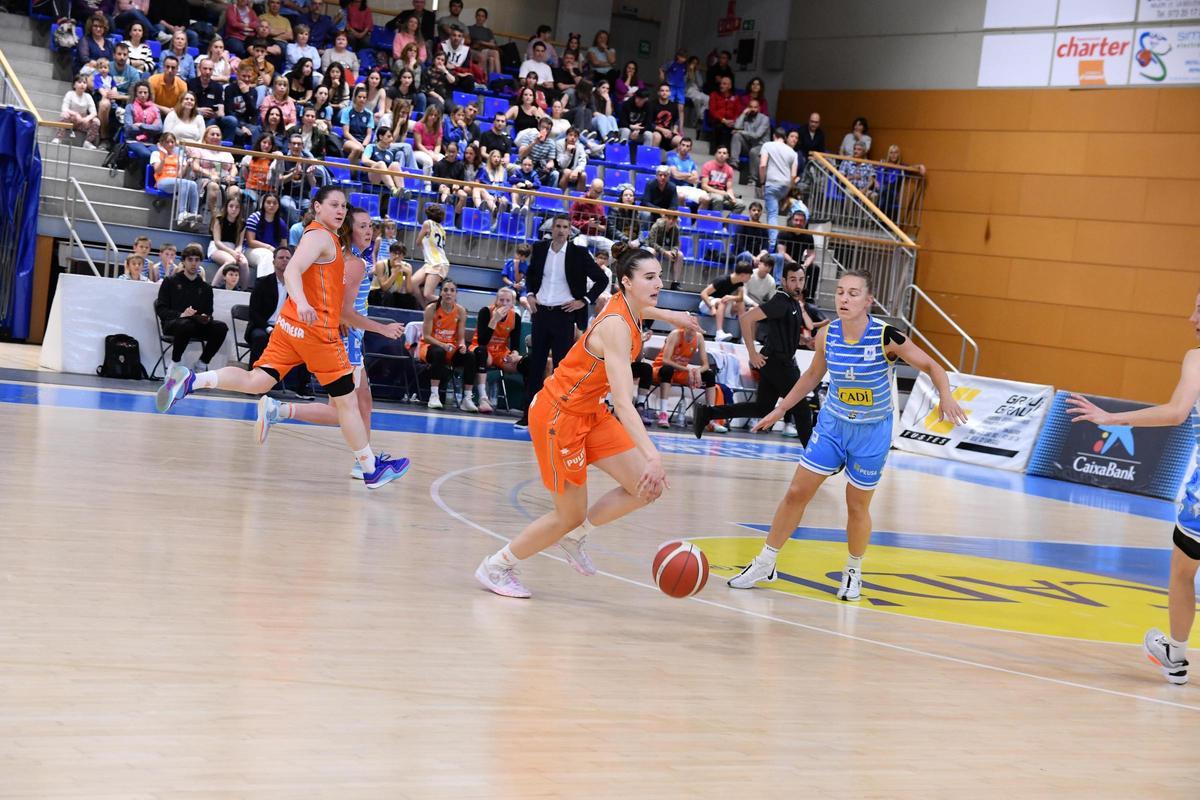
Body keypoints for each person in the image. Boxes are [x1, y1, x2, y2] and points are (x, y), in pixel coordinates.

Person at [722, 270, 967, 602]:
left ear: (868, 301)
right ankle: (765, 562)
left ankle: (853, 571)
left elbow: (933, 367)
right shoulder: (827, 334)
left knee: (856, 507)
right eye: (840, 292)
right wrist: (781, 409)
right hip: (833, 425)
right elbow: (811, 375)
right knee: (796, 492)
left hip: (872, 431)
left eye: (853, 293)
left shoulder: (887, 336)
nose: (844, 299)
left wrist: (947, 396)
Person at [155, 186, 410, 489]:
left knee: (258, 381)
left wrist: (302, 304)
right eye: (333, 205)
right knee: (347, 405)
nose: (339, 211)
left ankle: (192, 381)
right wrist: (303, 302)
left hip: (291, 327)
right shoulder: (320, 237)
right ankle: (370, 469)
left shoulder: (324, 238)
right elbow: (292, 272)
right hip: (317, 332)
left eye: (343, 206)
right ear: (317, 207)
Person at [475, 248, 682, 599]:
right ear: (626, 283)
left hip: (589, 412)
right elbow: (623, 403)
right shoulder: (616, 326)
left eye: (660, 275)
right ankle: (497, 565)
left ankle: (573, 538)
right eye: (650, 277)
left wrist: (677, 317)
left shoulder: (633, 306)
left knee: (647, 487)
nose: (658, 283)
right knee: (567, 514)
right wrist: (653, 454)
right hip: (560, 415)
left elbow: (646, 307)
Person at [1067, 298, 1200, 685]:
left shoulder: (1196, 358)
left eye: (1199, 310)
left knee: (1182, 571)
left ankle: (1175, 656)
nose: (1190, 317)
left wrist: (1112, 418)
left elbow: (1176, 412)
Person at [256, 206, 408, 478]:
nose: (369, 230)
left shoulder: (354, 259)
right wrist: (382, 329)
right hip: (345, 340)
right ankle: (279, 411)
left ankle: (365, 462)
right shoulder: (354, 263)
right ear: (350, 230)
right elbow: (343, 311)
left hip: (350, 337)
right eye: (362, 226)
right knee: (345, 409)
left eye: (370, 225)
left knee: (360, 405)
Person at [694, 261, 821, 441]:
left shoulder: (793, 303)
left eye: (801, 280)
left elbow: (784, 331)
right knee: (801, 409)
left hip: (776, 362)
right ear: (784, 281)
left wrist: (804, 340)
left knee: (763, 408)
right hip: (779, 364)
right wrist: (752, 354)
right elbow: (746, 319)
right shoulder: (780, 301)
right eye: (793, 280)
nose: (798, 284)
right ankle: (813, 456)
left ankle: (708, 413)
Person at [513, 216, 610, 429]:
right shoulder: (539, 249)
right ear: (552, 228)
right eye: (558, 226)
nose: (561, 230)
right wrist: (529, 293)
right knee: (535, 366)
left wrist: (583, 301)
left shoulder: (578, 253)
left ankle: (559, 416)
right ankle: (528, 415)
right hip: (540, 314)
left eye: (565, 227)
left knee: (560, 369)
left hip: (564, 315)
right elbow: (531, 275)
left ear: (569, 231)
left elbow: (602, 280)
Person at [154, 243, 229, 371]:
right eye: (190, 260)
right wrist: (181, 315)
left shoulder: (206, 287)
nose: (194, 263)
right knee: (186, 324)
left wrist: (206, 317)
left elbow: (209, 312)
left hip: (197, 325)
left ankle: (202, 363)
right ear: (183, 261)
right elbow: (161, 309)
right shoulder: (170, 282)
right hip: (173, 324)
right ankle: (176, 362)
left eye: (197, 260)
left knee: (221, 327)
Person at [419, 280, 481, 412]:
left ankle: (467, 399)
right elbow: (427, 337)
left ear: (456, 294)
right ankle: (434, 395)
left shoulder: (461, 311)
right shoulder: (431, 309)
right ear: (440, 292)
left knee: (470, 356)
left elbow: (460, 337)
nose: (448, 293)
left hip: (450, 349)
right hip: (430, 347)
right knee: (438, 352)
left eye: (452, 290)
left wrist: (463, 345)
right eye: (445, 290)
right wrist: (442, 344)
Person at [651, 322, 723, 431]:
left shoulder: (699, 338)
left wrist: (697, 371)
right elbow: (666, 361)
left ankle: (710, 419)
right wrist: (688, 370)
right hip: (660, 369)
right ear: (685, 326)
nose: (694, 327)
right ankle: (663, 414)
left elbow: (706, 365)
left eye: (696, 325)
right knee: (668, 370)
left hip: (681, 372)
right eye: (691, 325)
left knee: (709, 375)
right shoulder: (675, 334)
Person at [469, 287, 529, 412]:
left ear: (513, 303)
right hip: (480, 348)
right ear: (496, 301)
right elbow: (482, 341)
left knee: (525, 363)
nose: (504, 303)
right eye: (501, 300)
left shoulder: (515, 317)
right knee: (482, 353)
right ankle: (483, 398)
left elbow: (515, 344)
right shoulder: (486, 311)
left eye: (508, 300)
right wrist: (494, 320)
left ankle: (529, 403)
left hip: (500, 351)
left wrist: (515, 354)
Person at [150, 131, 203, 231]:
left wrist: (187, 164)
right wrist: (164, 157)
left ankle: (194, 216)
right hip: (162, 181)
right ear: (162, 143)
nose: (170, 144)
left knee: (193, 184)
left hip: (175, 181)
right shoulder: (156, 154)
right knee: (184, 182)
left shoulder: (177, 156)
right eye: (167, 142)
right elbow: (157, 170)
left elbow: (179, 175)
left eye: (172, 142)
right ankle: (181, 213)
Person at [759, 127, 798, 251]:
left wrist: (762, 182)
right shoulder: (792, 152)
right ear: (785, 138)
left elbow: (763, 165)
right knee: (775, 211)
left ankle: (773, 244)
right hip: (785, 185)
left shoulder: (767, 145)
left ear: (774, 136)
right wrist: (788, 191)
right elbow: (793, 175)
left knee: (772, 215)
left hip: (772, 183)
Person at [698, 258, 752, 342]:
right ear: (743, 275)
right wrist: (711, 307)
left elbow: (740, 298)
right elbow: (703, 293)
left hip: (722, 306)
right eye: (749, 276)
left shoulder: (740, 283)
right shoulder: (722, 280)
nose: (750, 278)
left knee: (740, 303)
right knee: (722, 301)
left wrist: (731, 297)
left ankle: (744, 337)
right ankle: (719, 333)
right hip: (707, 305)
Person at [410, 203, 450, 305]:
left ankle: (451, 303)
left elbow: (418, 241)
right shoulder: (442, 229)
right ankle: (425, 309)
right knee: (413, 283)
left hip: (437, 263)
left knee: (427, 294)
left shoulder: (427, 223)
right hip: (431, 262)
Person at [56, 73, 101, 149]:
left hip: (83, 122)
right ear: (74, 85)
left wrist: (87, 119)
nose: (82, 85)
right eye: (79, 82)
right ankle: (58, 137)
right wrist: (76, 114)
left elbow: (94, 112)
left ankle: (88, 142)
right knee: (64, 115)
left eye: (84, 83)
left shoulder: (88, 96)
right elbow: (64, 108)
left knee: (96, 121)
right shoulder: (70, 94)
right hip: (71, 121)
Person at [731, 98, 769, 184]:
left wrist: (741, 131)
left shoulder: (764, 119)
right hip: (749, 144)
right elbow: (736, 127)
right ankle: (734, 164)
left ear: (759, 108)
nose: (753, 109)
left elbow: (757, 135)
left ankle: (752, 179)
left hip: (761, 147)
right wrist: (743, 113)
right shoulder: (746, 117)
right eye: (751, 107)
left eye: (755, 107)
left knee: (753, 151)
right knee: (736, 135)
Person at [645, 212, 684, 292]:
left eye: (674, 219)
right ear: (665, 218)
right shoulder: (656, 226)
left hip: (667, 249)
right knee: (652, 252)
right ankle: (649, 279)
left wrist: (673, 252)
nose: (671, 221)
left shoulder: (676, 228)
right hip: (655, 247)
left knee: (680, 255)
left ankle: (675, 283)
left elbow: (677, 244)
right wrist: (664, 252)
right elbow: (651, 242)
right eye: (669, 218)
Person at [700, 145, 745, 213]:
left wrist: (732, 197)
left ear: (727, 156)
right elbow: (704, 186)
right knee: (718, 198)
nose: (722, 155)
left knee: (740, 204)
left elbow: (729, 188)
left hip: (723, 194)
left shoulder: (729, 169)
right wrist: (720, 192)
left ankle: (726, 223)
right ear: (715, 154)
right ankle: (717, 222)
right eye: (719, 152)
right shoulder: (707, 165)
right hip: (709, 193)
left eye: (724, 153)